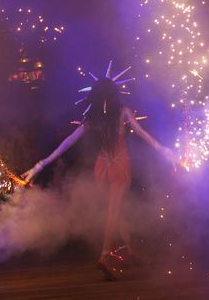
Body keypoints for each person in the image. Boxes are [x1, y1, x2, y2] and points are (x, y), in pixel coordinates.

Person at [22, 77, 178, 280]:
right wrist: (163, 150)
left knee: (116, 208)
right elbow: (142, 133)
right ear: (115, 93)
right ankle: (104, 257)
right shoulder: (123, 111)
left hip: (101, 167)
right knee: (113, 211)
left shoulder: (93, 117)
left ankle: (129, 249)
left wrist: (41, 163)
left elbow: (68, 142)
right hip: (120, 165)